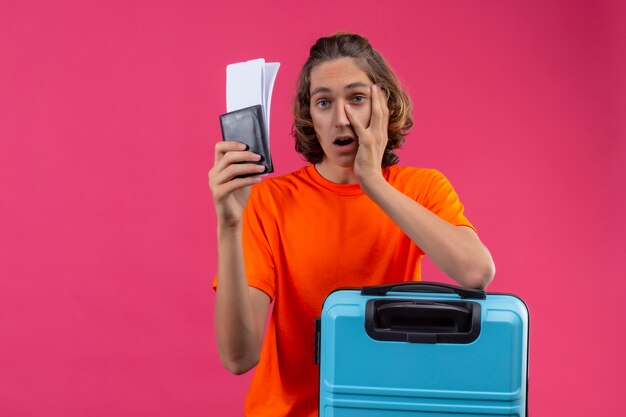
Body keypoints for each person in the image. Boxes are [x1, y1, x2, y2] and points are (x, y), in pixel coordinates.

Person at [209, 32, 495, 417]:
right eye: (323, 102)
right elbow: (238, 357)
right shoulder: (270, 201)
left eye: (356, 99)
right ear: (309, 115)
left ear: (383, 105)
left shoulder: (421, 188)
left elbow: (476, 272)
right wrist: (228, 226)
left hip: (381, 409)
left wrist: (372, 182)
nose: (341, 118)